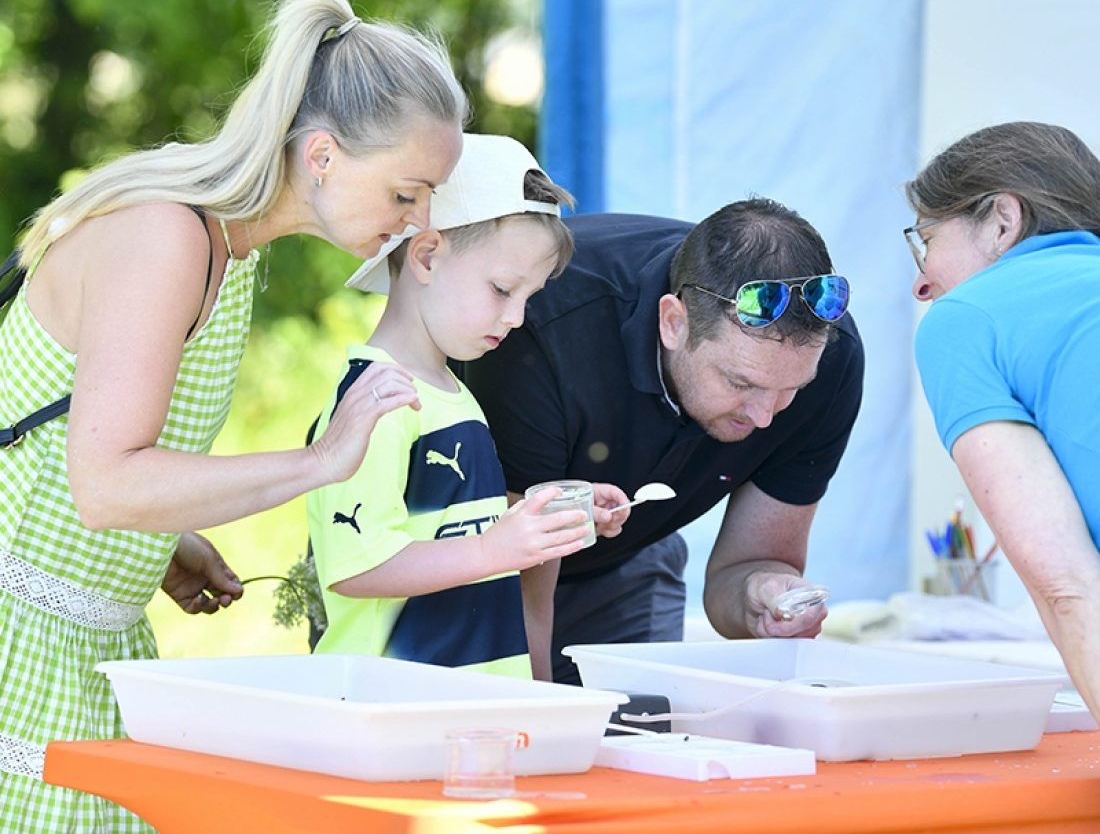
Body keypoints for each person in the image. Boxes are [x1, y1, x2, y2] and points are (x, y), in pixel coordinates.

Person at [0, 0, 467, 831]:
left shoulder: (230, 248)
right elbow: (106, 486)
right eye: (406, 193)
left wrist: (164, 538)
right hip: (17, 647)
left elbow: (83, 455)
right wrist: (322, 463)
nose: (417, 221)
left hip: (91, 638)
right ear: (322, 156)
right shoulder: (166, 235)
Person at [460, 198, 864, 683]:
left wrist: (761, 596)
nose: (764, 417)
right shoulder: (546, 319)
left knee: (636, 732)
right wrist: (543, 730)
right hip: (475, 555)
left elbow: (747, 566)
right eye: (741, 383)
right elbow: (518, 579)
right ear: (673, 322)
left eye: (791, 391)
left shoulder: (832, 361)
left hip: (632, 554)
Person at [307, 134, 595, 677]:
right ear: (427, 256)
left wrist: (541, 516)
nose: (517, 318)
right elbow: (358, 565)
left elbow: (447, 531)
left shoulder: (450, 391)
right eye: (502, 289)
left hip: (460, 711)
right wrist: (496, 550)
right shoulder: (378, 398)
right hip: (391, 708)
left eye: (529, 298)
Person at [905, 120, 1100, 722]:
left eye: (926, 241)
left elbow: (1066, 586)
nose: (921, 282)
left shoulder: (966, 317)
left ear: (1002, 220)